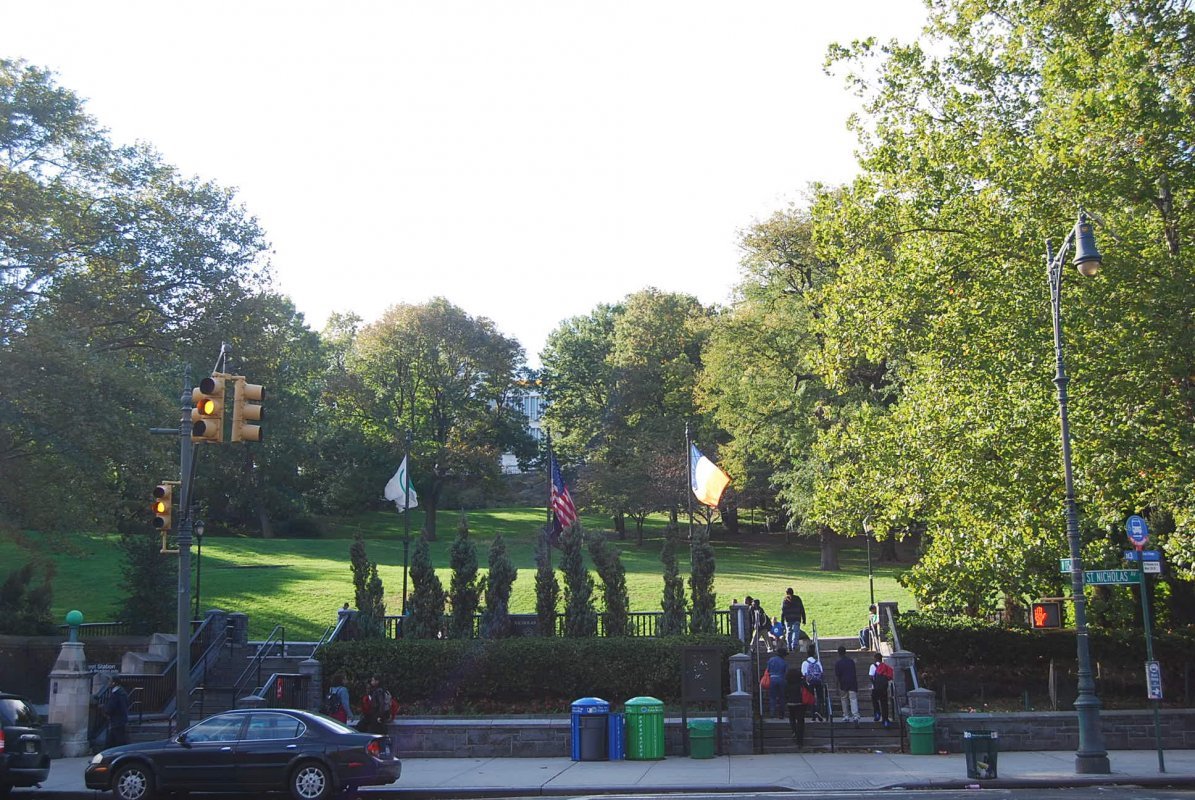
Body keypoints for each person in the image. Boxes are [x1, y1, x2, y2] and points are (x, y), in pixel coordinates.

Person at [834, 645, 860, 723]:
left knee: (844, 699)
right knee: (853, 699)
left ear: (838, 653)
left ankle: (846, 715)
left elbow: (837, 676)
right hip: (852, 682)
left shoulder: (838, 663)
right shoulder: (851, 662)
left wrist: (836, 687)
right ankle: (855, 715)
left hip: (843, 683)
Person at [783, 662, 806, 748]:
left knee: (792, 718)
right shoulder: (801, 683)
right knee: (800, 721)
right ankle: (800, 740)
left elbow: (784, 694)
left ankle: (794, 730)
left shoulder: (787, 684)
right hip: (800, 703)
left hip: (790, 703)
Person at [800, 647, 825, 722]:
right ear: (814, 654)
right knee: (820, 697)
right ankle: (819, 710)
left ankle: (813, 715)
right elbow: (821, 672)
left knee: (811, 698)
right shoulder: (818, 662)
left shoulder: (805, 663)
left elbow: (803, 673)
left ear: (807, 654)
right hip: (818, 681)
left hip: (809, 682)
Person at [105, 676, 130, 747]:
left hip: (116, 721)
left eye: (110, 681)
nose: (108, 683)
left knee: (117, 741)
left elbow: (111, 708)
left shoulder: (116, 694)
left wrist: (105, 709)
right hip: (121, 720)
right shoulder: (122, 693)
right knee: (115, 740)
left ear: (114, 683)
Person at [870, 653, 894, 727]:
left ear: (875, 658)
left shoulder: (873, 666)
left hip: (875, 688)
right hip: (884, 688)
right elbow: (889, 677)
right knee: (884, 703)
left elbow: (870, 676)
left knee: (874, 700)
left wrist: (874, 683)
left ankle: (877, 713)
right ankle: (885, 720)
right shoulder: (885, 666)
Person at [780, 587, 806, 652]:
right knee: (796, 632)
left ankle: (789, 646)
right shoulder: (797, 599)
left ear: (786, 593)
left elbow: (783, 611)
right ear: (793, 592)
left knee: (789, 632)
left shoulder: (785, 600)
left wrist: (782, 621)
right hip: (797, 618)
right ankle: (794, 646)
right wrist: (804, 619)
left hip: (788, 619)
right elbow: (802, 609)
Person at [765, 646, 788, 719]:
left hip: (772, 679)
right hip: (781, 679)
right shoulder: (784, 662)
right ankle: (781, 714)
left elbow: (768, 670)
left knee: (772, 697)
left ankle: (772, 713)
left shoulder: (771, 660)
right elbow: (786, 673)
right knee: (782, 697)